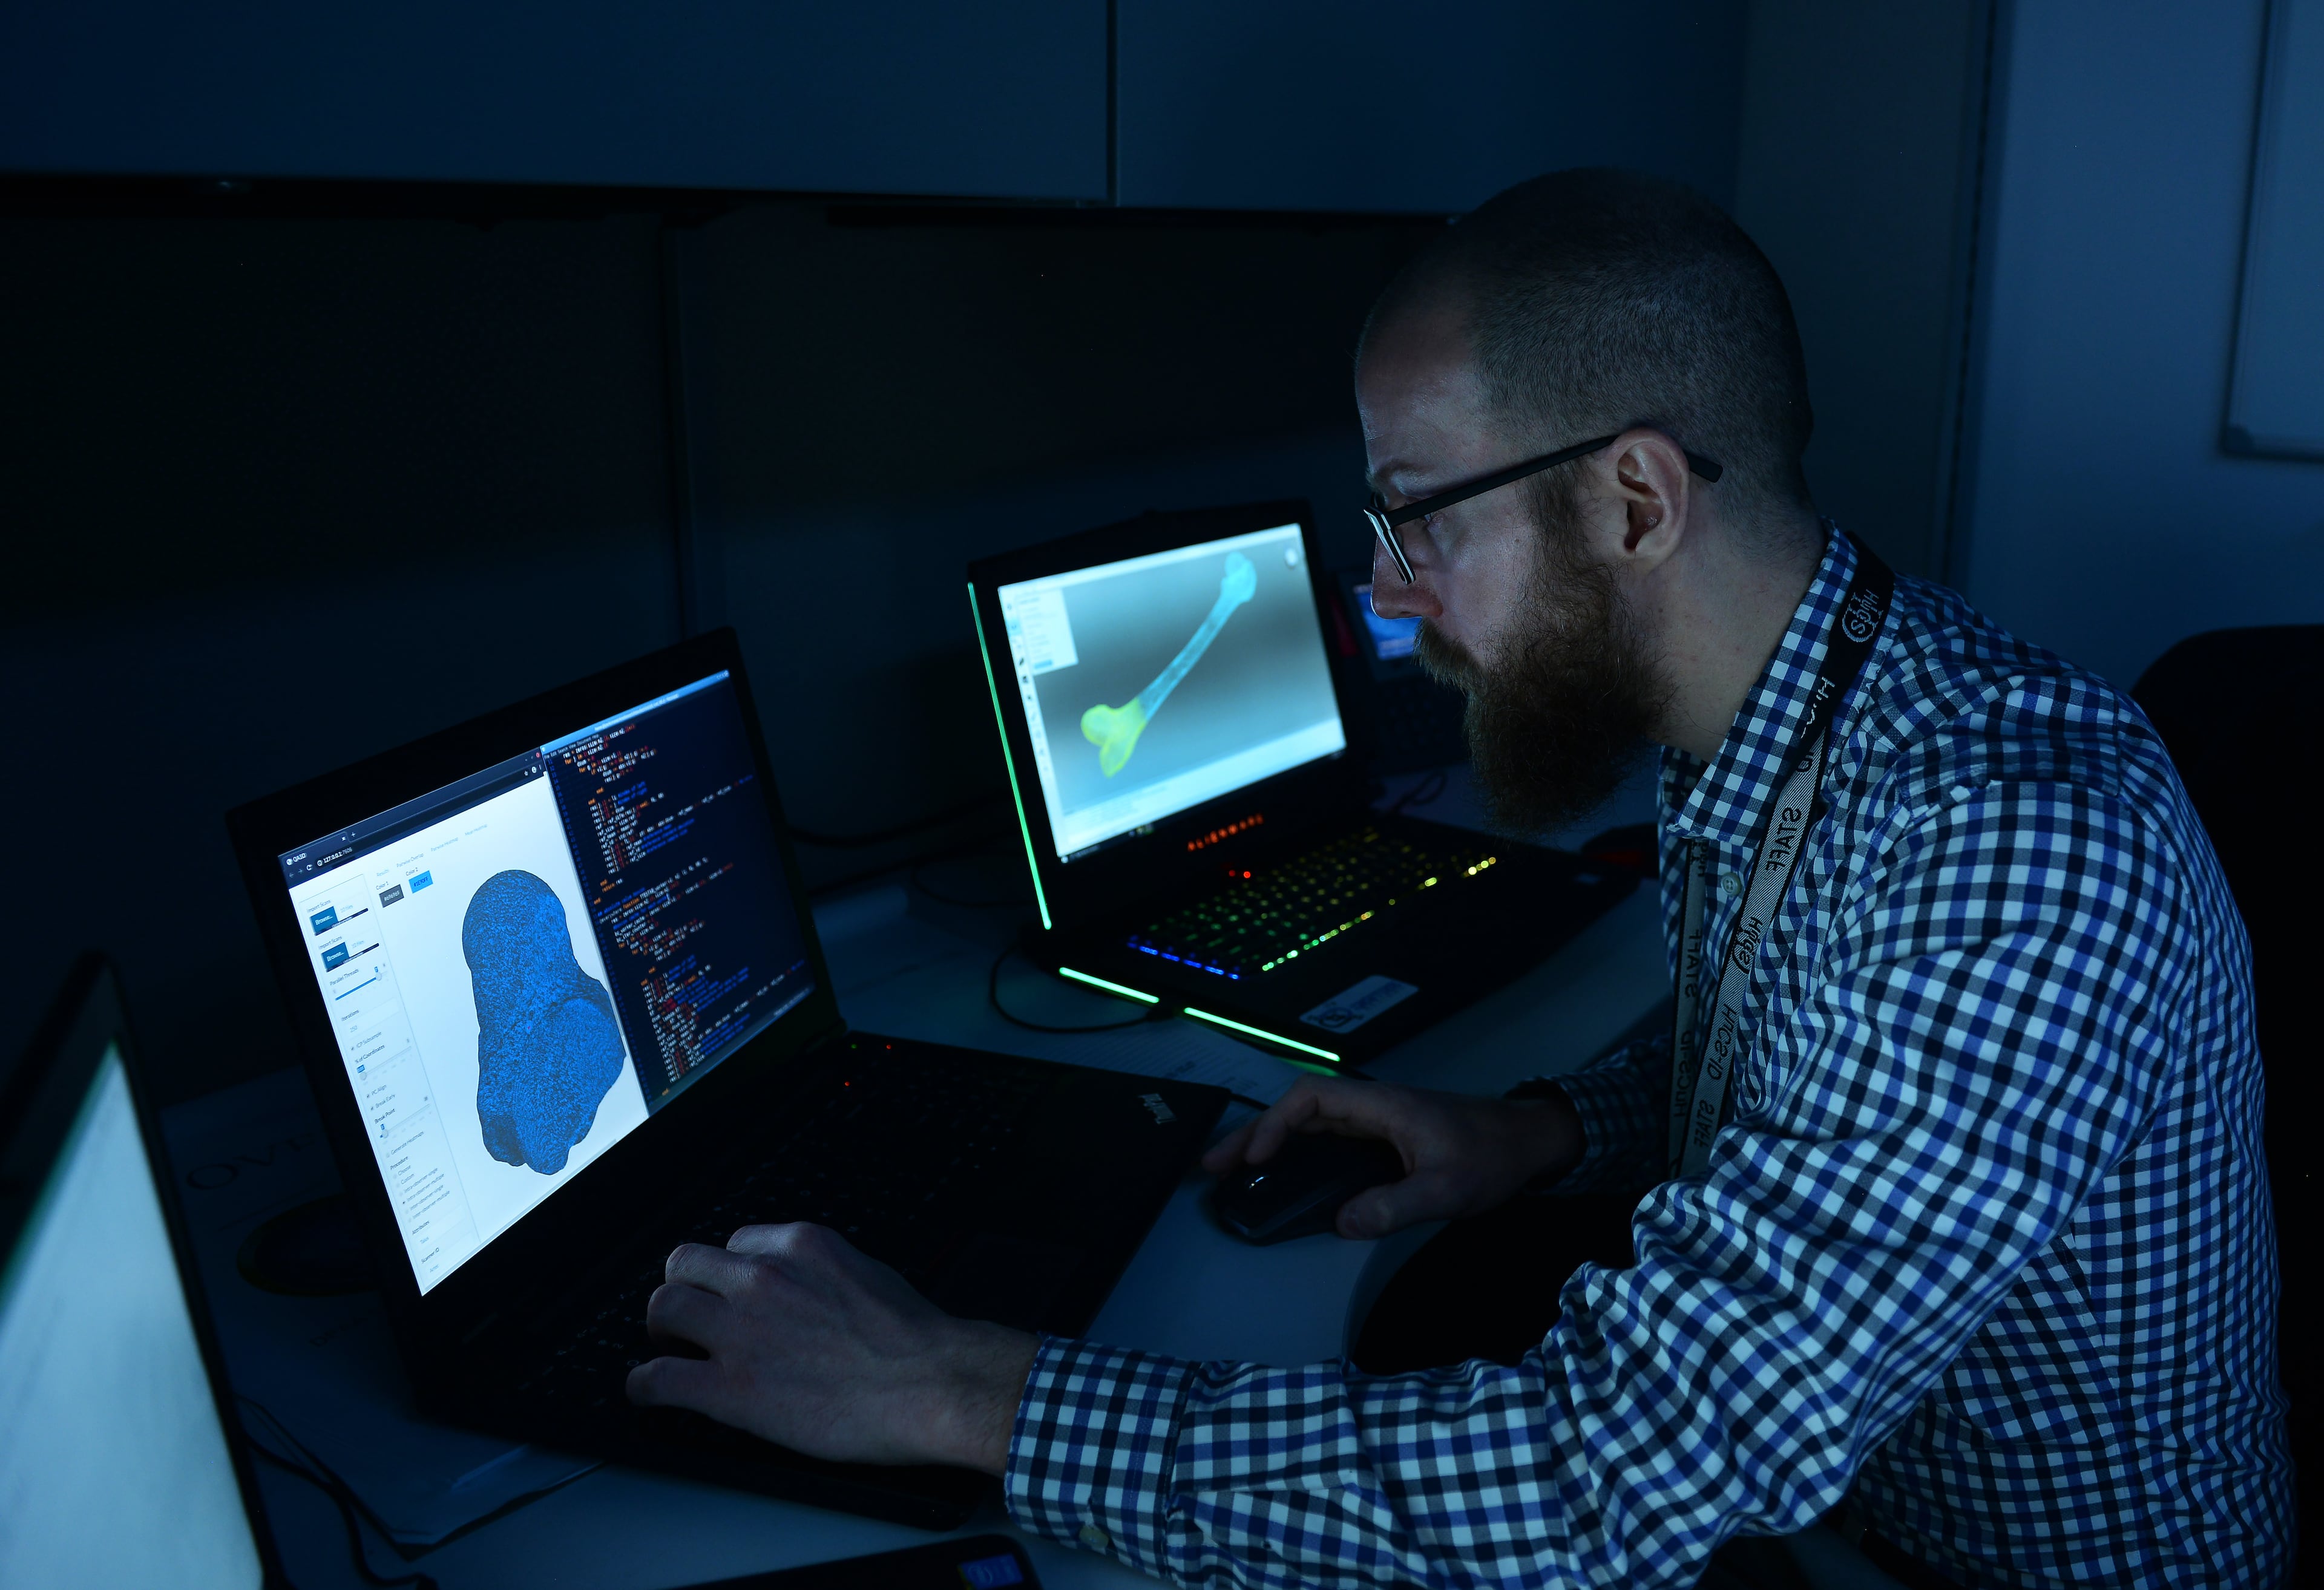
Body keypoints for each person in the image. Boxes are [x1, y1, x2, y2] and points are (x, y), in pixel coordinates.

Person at [623, 170, 2293, 1588]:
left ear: (1634, 498)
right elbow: (1819, 1057)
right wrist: (1538, 1130)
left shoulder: (2011, 842)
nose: (1390, 599)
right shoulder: (1812, 698)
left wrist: (955, 1388)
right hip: (1850, 1503)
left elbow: (1617, 1473)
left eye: (1420, 520)